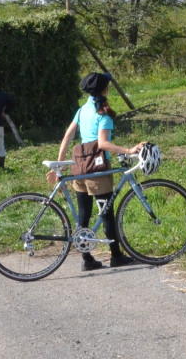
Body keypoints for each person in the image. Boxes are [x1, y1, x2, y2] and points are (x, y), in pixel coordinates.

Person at [47, 72, 144, 271]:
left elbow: (67, 137)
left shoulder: (82, 110)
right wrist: (129, 150)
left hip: (79, 167)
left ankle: (87, 259)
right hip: (98, 170)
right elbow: (103, 144)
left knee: (84, 213)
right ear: (106, 90)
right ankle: (116, 256)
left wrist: (60, 164)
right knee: (106, 214)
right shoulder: (104, 116)